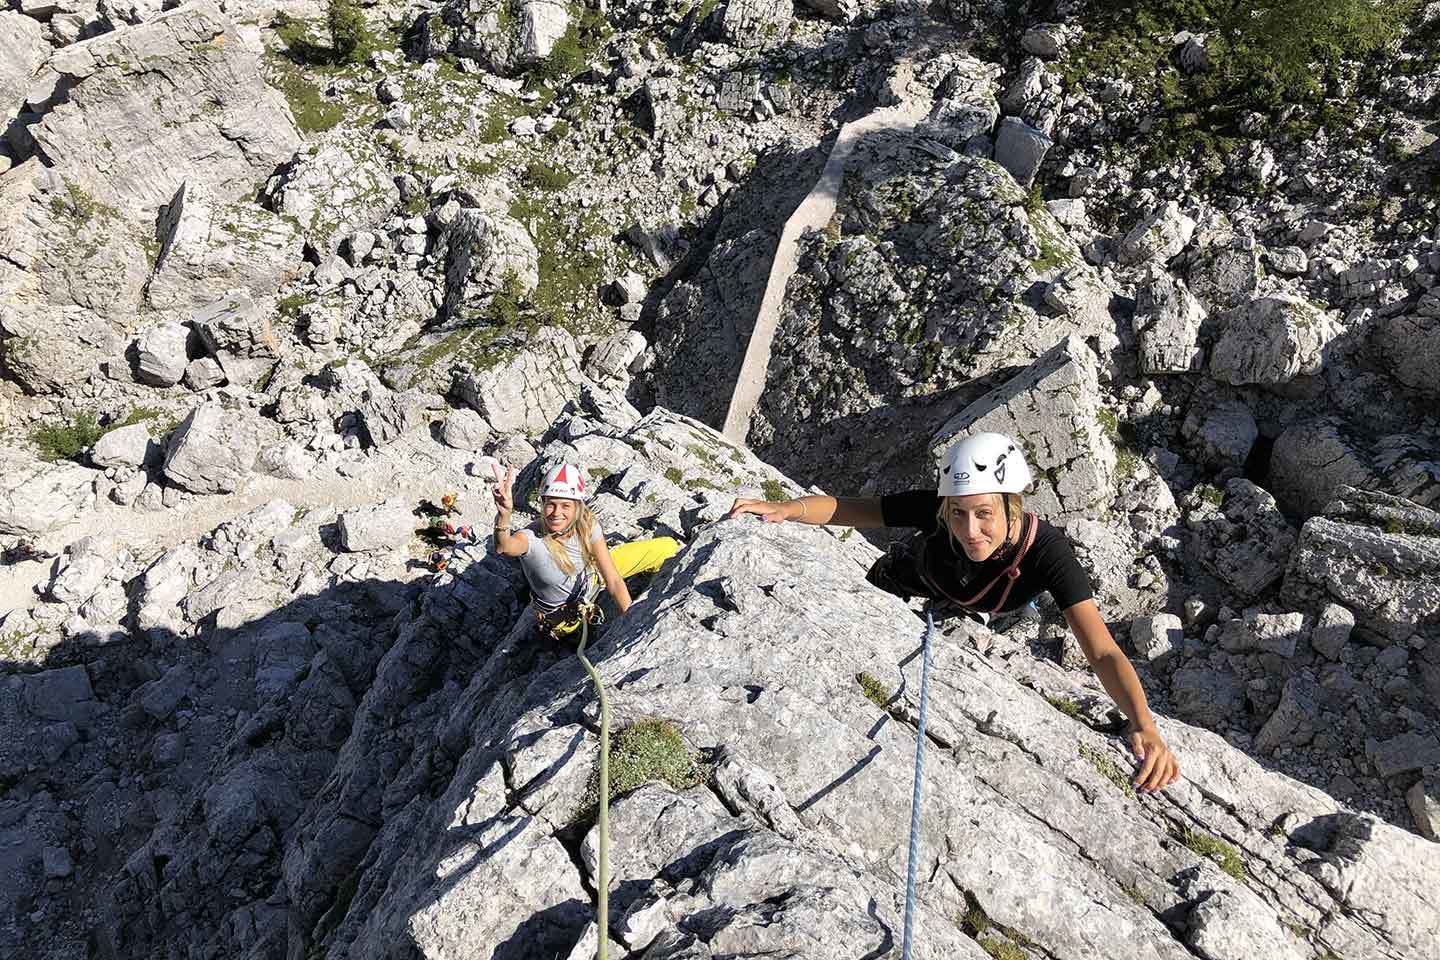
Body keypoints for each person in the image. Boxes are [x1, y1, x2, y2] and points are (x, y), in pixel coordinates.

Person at [727, 432, 1181, 794]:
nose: (969, 530)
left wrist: (1144, 724)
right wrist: (788, 509)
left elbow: (1101, 651)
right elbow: (854, 509)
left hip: (990, 606)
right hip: (910, 580)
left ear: (1011, 504)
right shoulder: (936, 511)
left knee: (1009, 609)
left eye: (984, 513)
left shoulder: (1050, 555)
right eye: (958, 514)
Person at [492, 460, 680, 639]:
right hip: (564, 618)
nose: (557, 513)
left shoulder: (586, 525)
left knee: (667, 547)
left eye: (565, 505)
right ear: (543, 504)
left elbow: (612, 579)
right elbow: (504, 547)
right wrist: (504, 514)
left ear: (577, 508)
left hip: (593, 579)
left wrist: (629, 621)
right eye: (551, 504)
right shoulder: (531, 539)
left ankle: (654, 583)